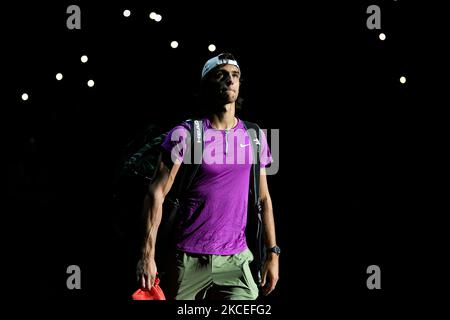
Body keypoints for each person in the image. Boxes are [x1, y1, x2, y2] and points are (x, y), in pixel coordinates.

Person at [136, 53, 279, 300]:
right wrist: (147, 256)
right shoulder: (186, 134)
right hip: (188, 259)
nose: (229, 80)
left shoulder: (254, 135)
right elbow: (155, 194)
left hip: (237, 260)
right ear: (206, 84)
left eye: (235, 76)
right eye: (220, 75)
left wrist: (272, 253)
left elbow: (264, 200)